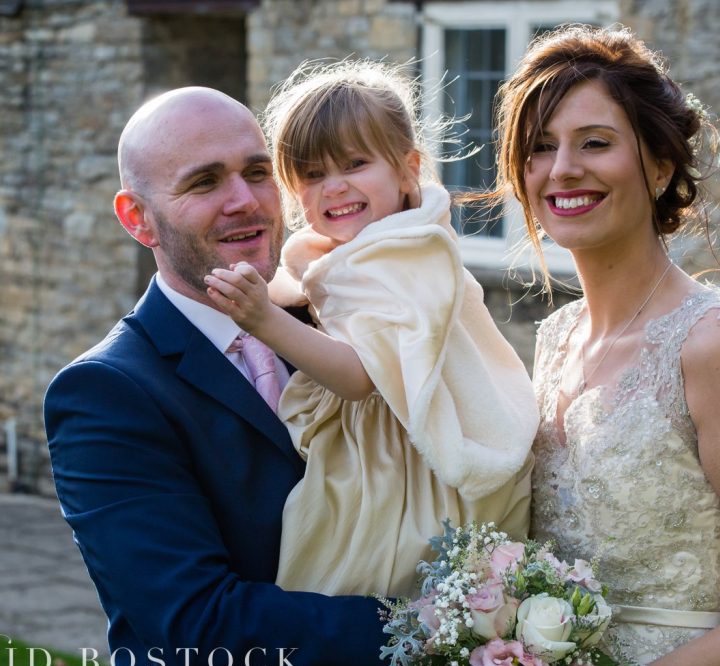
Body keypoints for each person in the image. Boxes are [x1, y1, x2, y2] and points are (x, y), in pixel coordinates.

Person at [488, 24, 720, 666]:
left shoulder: (716, 343)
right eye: (540, 148)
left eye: (595, 142)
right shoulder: (554, 338)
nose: (563, 168)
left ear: (659, 164)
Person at [43, 86, 395, 666]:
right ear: (138, 219)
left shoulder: (337, 325)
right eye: (204, 183)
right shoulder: (105, 394)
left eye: (257, 173)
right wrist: (428, 627)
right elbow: (199, 625)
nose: (245, 202)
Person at [204, 60, 536, 598]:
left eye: (355, 164)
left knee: (358, 563)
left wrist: (262, 319)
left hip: (404, 461)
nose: (334, 187)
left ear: (407, 169)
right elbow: (316, 293)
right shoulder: (369, 248)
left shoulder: (401, 255)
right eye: (312, 175)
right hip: (377, 444)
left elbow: (362, 376)